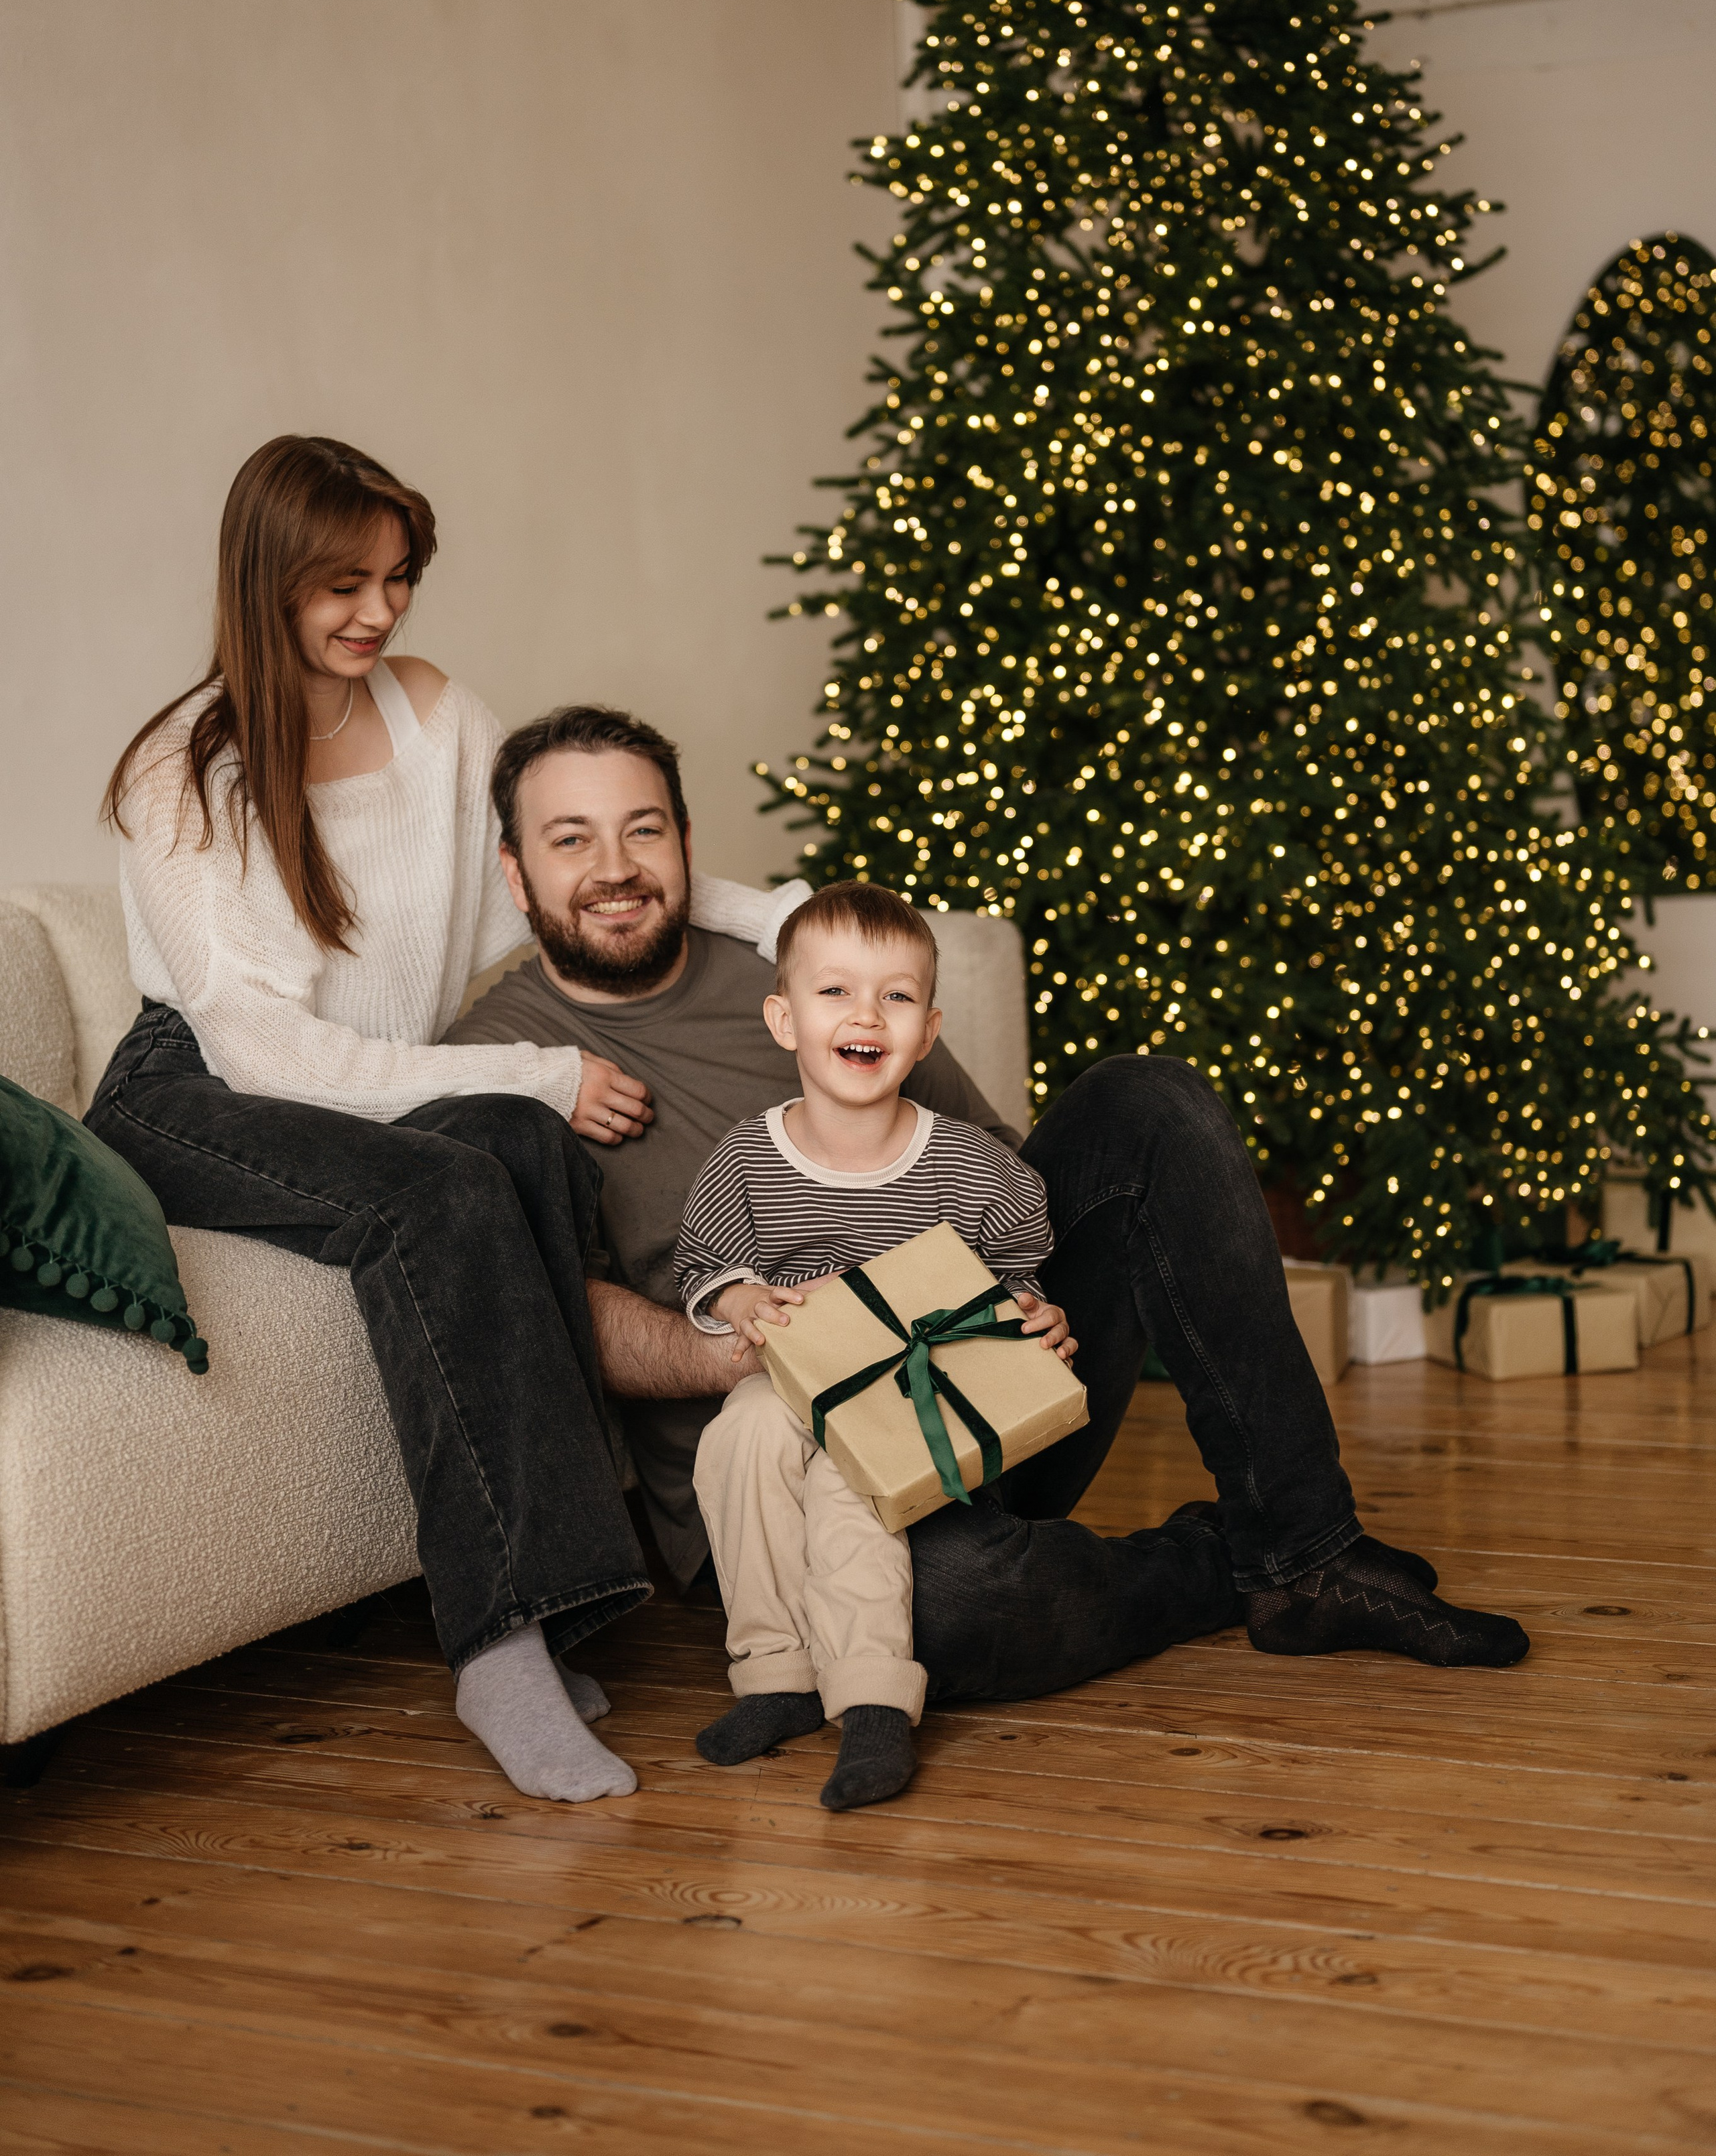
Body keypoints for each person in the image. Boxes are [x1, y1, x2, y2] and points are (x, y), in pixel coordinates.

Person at [452, 703, 1530, 1694]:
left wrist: (1033, 1290)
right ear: (514, 872)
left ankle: (1309, 1552)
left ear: (685, 839)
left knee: (1146, 1102)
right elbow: (547, 1313)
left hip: (1000, 1382)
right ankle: (1219, 1563)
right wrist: (736, 1344)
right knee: (953, 1610)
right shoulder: (498, 1065)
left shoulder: (816, 971)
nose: (615, 867)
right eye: (571, 839)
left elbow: (1014, 1178)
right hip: (800, 1481)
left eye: (642, 829)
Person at [86, 434, 810, 1809]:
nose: (378, 610)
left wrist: (786, 919)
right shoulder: (186, 768)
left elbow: (571, 853)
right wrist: (537, 1069)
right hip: (190, 1095)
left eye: (398, 578)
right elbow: (254, 1045)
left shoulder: (433, 715)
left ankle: (568, 1599)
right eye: (342, 582)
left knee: (518, 1150)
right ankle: (497, 1647)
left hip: (347, 1077)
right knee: (453, 1183)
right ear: (266, 576)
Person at [680, 881, 1080, 1812]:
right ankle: (774, 1678)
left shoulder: (969, 1165)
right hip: (790, 1375)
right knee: (741, 1439)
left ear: (927, 1030)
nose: (867, 1014)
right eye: (836, 993)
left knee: (850, 1488)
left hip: (912, 1387)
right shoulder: (745, 1159)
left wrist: (1034, 1309)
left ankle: (871, 1704)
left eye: (895, 996)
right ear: (784, 1019)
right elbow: (702, 1262)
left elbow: (1018, 1265)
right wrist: (736, 1297)